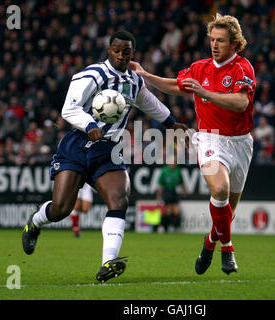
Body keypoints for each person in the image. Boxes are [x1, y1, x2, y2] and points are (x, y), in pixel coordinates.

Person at [22, 30, 188, 283]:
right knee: (61, 209)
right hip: (78, 145)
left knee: (119, 200)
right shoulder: (92, 74)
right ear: (109, 50)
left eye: (127, 52)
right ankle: (34, 223)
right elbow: (69, 108)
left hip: (108, 149)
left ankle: (108, 262)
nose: (121, 56)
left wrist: (172, 123)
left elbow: (150, 103)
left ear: (133, 53)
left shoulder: (135, 81)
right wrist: (89, 125)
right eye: (117, 50)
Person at [130, 13, 256, 275]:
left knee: (228, 212)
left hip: (241, 143)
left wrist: (204, 92)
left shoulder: (243, 68)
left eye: (221, 40)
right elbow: (177, 86)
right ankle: (228, 250)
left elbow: (241, 103)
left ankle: (210, 242)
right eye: (212, 39)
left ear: (235, 44)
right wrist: (145, 76)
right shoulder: (199, 67)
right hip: (209, 137)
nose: (215, 45)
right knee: (219, 189)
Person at [156, 158, 186, 232]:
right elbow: (160, 185)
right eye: (172, 162)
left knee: (176, 211)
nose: (173, 163)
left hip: (174, 192)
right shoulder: (164, 171)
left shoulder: (178, 171)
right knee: (168, 210)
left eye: (175, 162)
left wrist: (184, 191)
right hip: (166, 192)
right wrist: (159, 196)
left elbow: (181, 182)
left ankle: (173, 226)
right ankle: (166, 227)